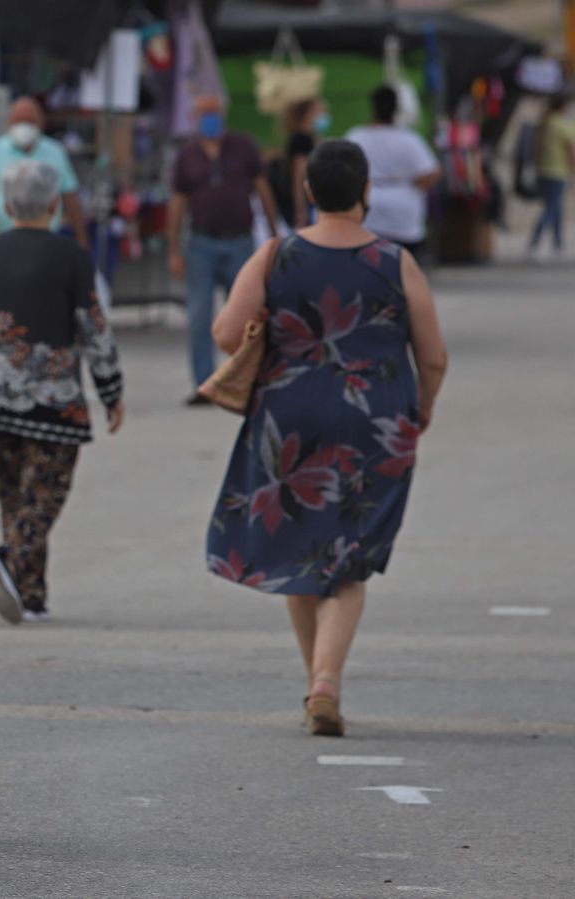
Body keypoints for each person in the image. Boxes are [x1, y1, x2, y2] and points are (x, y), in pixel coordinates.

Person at [207, 140, 447, 737]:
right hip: (377, 420)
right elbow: (434, 355)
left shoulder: (275, 255)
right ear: (366, 192)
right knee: (348, 562)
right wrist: (422, 407)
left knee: (302, 547)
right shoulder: (395, 262)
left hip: (288, 417)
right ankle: (325, 683)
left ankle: (315, 679)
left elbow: (226, 332)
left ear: (309, 191)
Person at [0, 160, 126, 624]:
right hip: (55, 404)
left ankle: (31, 597)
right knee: (43, 499)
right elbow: (94, 330)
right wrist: (111, 390)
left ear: (7, 204)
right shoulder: (72, 256)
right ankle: (9, 556)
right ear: (54, 204)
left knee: (16, 499)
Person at [168, 94, 281, 405]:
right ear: (194, 119)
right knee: (199, 315)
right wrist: (174, 250)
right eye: (204, 114)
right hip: (201, 244)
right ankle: (206, 383)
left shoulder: (243, 148)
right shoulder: (187, 156)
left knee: (249, 317)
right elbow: (177, 204)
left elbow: (262, 189)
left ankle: (247, 381)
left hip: (240, 241)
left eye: (214, 113)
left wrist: (274, 234)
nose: (210, 120)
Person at [0, 95, 89, 249]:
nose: (24, 126)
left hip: (47, 242)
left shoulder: (56, 152)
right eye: (19, 121)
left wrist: (81, 238)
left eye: (30, 121)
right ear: (8, 122)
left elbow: (71, 196)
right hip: (0, 239)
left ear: (42, 122)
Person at [346, 86, 440, 258]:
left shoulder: (356, 136)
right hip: (403, 211)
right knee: (402, 266)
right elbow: (430, 174)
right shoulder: (409, 139)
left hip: (367, 210)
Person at [528, 94, 575, 261]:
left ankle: (558, 243)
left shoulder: (545, 122)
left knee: (556, 208)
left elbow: (535, 148)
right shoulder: (563, 124)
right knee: (551, 208)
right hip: (557, 171)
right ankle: (534, 243)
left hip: (543, 171)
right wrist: (572, 171)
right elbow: (570, 149)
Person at [274, 96, 330, 230]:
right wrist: (300, 210)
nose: (325, 116)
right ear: (308, 115)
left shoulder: (311, 139)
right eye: (321, 112)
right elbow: (299, 177)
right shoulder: (301, 140)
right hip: (306, 204)